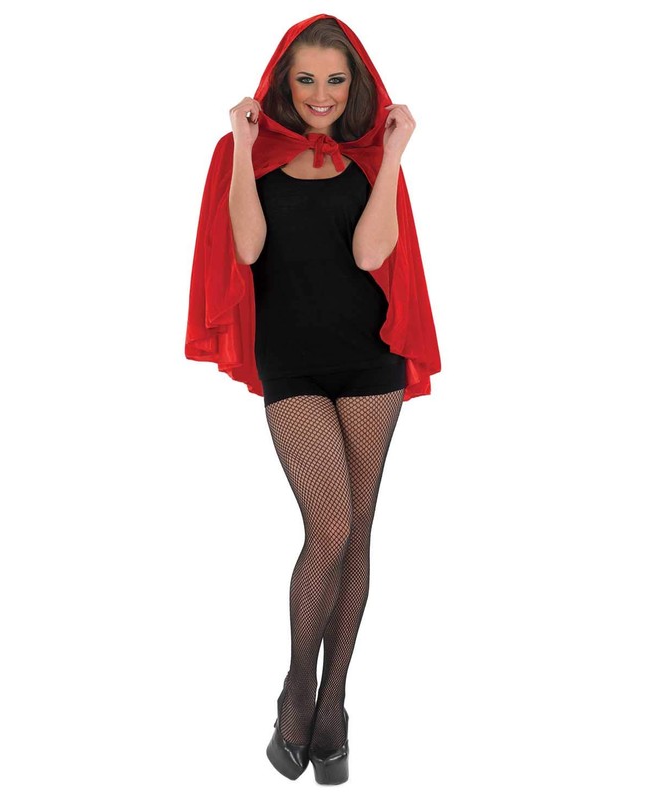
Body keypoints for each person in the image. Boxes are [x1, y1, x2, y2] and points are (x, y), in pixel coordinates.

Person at [185, 14, 441, 785]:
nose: (321, 95)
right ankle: (298, 690)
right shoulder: (245, 153)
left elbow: (371, 252)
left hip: (370, 359)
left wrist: (394, 153)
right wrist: (240, 145)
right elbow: (248, 247)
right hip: (292, 361)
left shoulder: (370, 156)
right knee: (329, 525)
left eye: (335, 79)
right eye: (305, 80)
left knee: (357, 532)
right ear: (282, 83)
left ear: (353, 84)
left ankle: (333, 709)